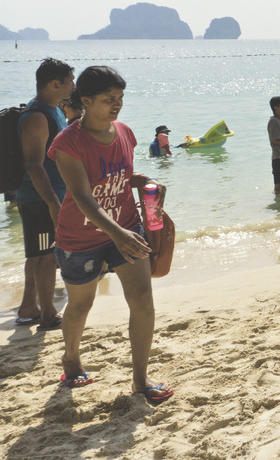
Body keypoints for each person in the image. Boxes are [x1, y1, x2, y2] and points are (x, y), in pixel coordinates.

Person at [48, 65, 173, 401]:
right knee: (80, 305)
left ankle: (140, 381)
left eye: (120, 97)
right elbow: (83, 197)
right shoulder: (67, 143)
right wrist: (117, 233)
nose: (117, 104)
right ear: (86, 100)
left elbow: (119, 179)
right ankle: (71, 358)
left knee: (143, 302)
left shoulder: (125, 133)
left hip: (127, 228)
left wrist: (142, 181)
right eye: (108, 99)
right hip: (81, 239)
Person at [14, 57, 74, 330]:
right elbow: (33, 164)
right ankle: (48, 313)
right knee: (47, 255)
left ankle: (29, 307)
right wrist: (52, 202)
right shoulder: (37, 116)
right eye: (70, 81)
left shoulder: (56, 110)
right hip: (39, 198)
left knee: (38, 254)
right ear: (54, 84)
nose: (73, 85)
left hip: (49, 195)